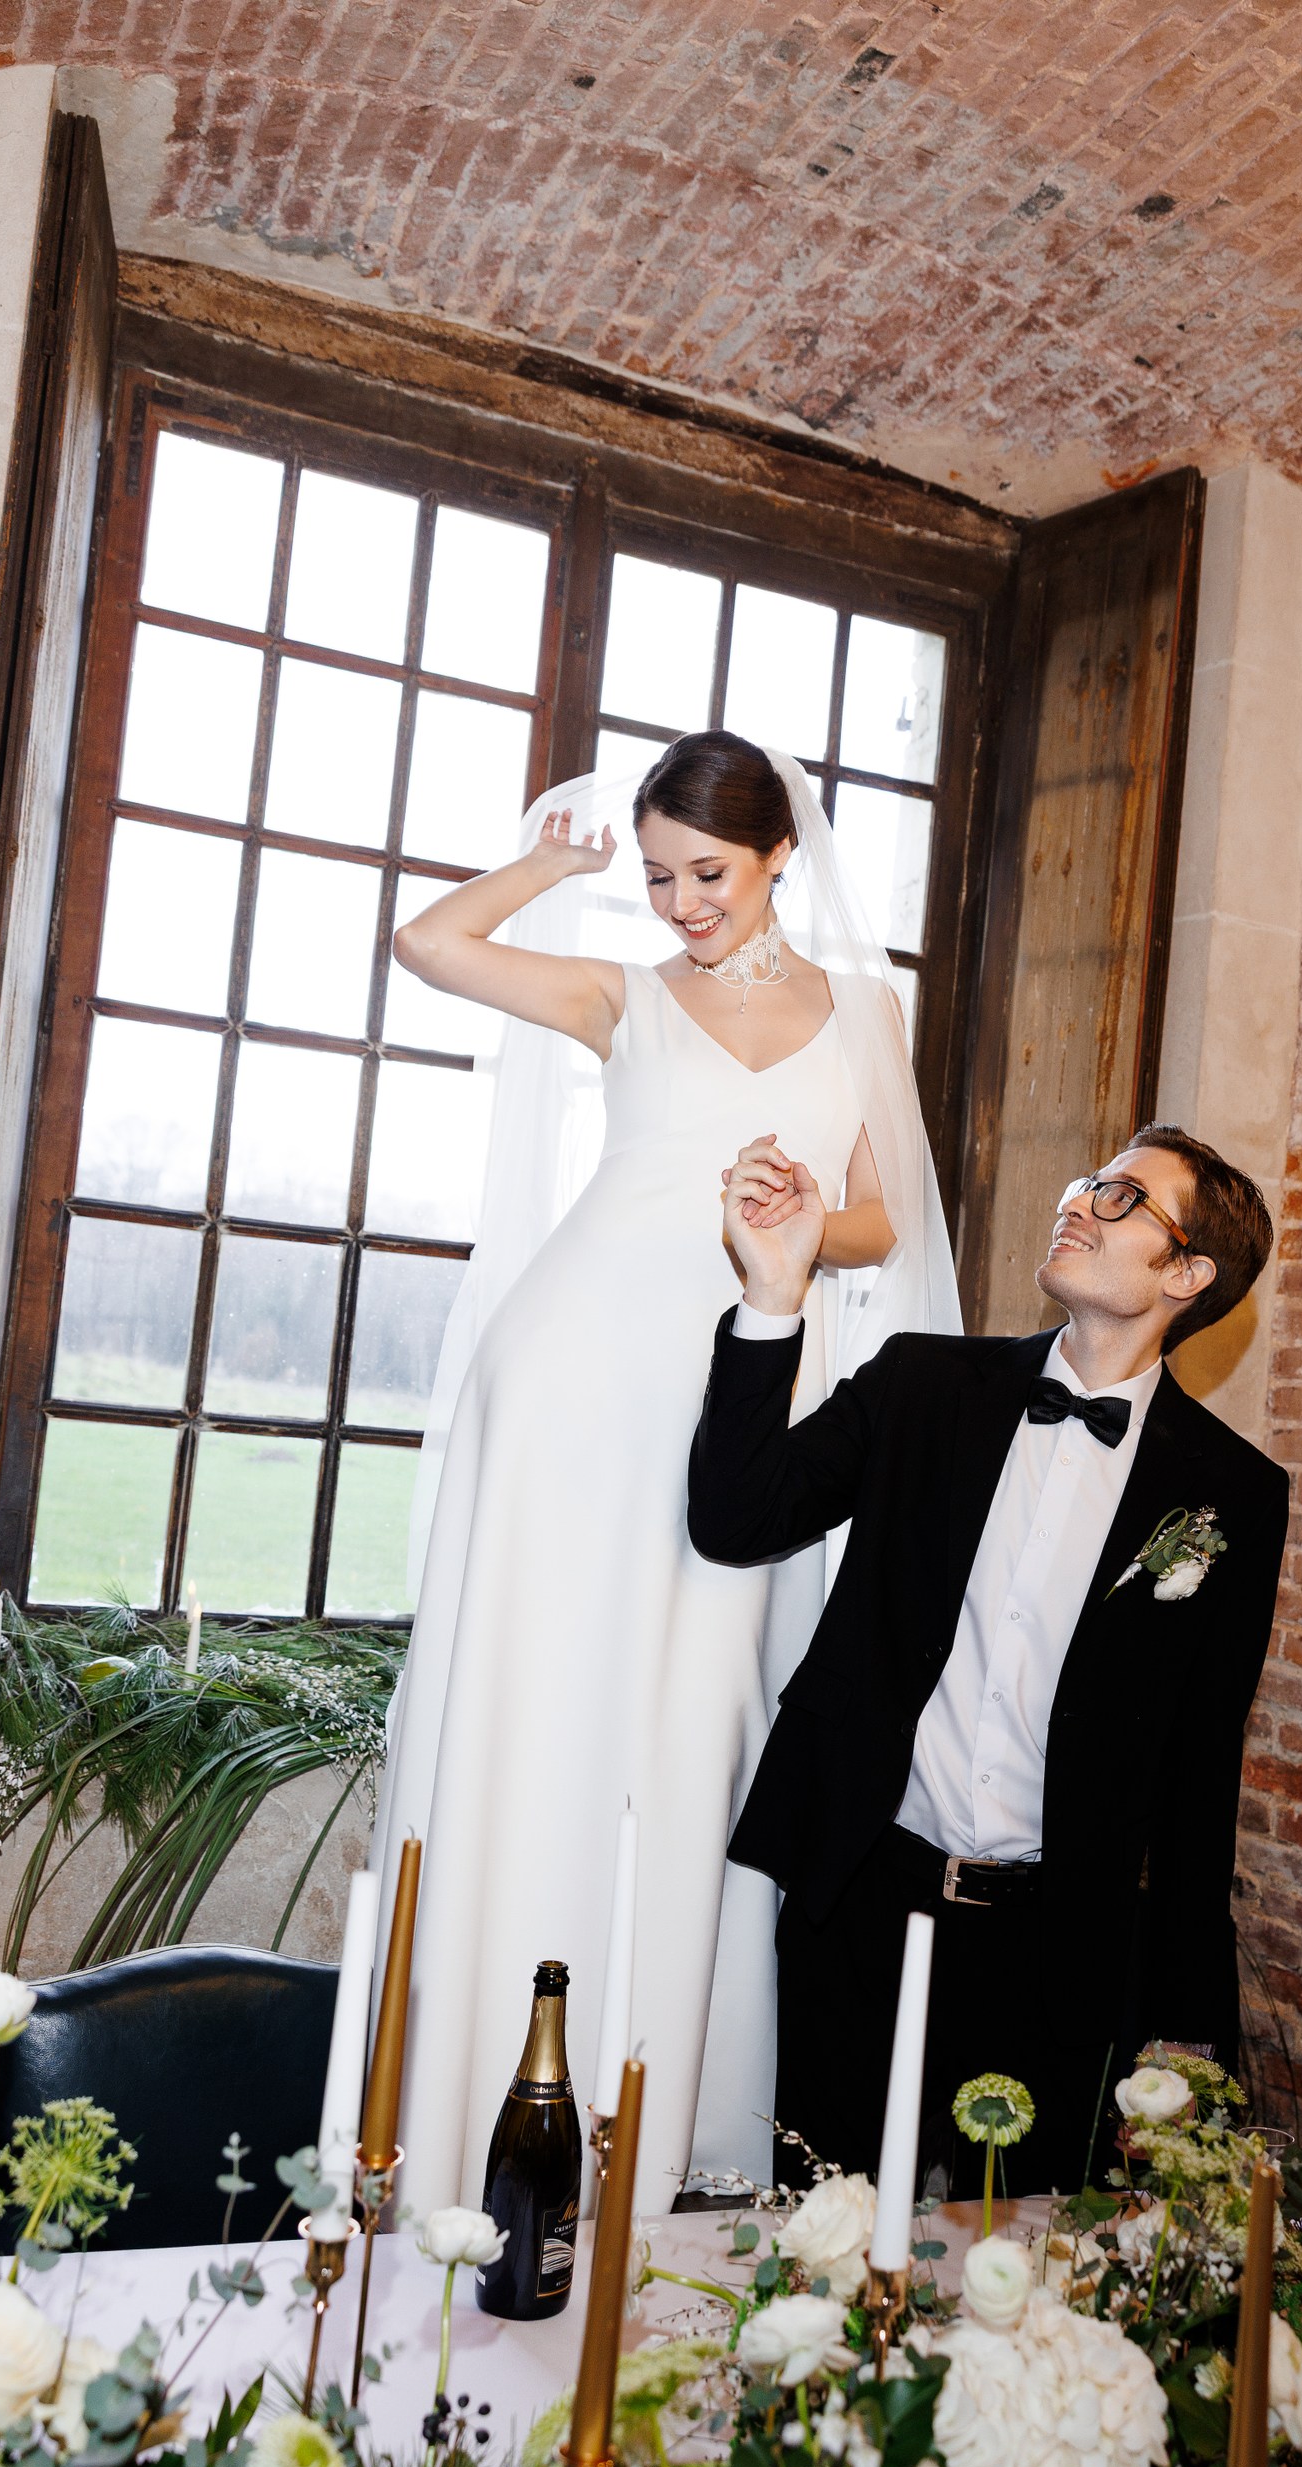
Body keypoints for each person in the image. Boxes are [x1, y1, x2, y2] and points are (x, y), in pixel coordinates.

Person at [372, 731, 960, 2216]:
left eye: (706, 872)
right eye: (654, 876)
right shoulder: (622, 992)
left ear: (778, 857)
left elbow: (883, 1224)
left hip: (740, 1385)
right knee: (540, 1695)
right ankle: (462, 2100)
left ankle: (647, 2087)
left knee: (695, 1705)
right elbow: (429, 944)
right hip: (573, 1372)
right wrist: (552, 866)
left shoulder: (866, 1010)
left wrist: (790, 1216)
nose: (681, 902)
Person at [687, 1124, 1288, 2196]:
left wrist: (1188, 2031)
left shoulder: (1232, 1494)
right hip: (860, 1908)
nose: (1079, 1200)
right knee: (812, 2244)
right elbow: (737, 1516)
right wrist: (773, 1293)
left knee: (1011, 2289)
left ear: (1189, 1273)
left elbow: (1202, 1781)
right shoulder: (925, 1383)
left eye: (1121, 1197)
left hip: (1055, 1963)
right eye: (1085, 1177)